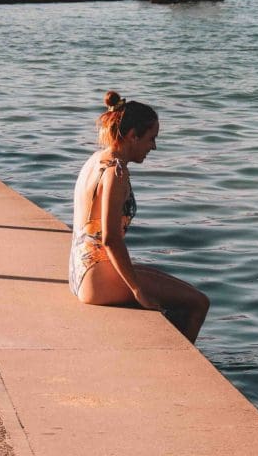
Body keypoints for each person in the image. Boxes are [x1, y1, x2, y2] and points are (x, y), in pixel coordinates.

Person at [69, 90, 209, 343]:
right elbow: (111, 239)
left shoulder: (96, 160)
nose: (153, 147)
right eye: (151, 139)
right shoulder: (116, 173)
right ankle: (179, 369)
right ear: (133, 136)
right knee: (198, 303)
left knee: (168, 287)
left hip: (81, 270)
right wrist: (137, 290)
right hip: (96, 279)